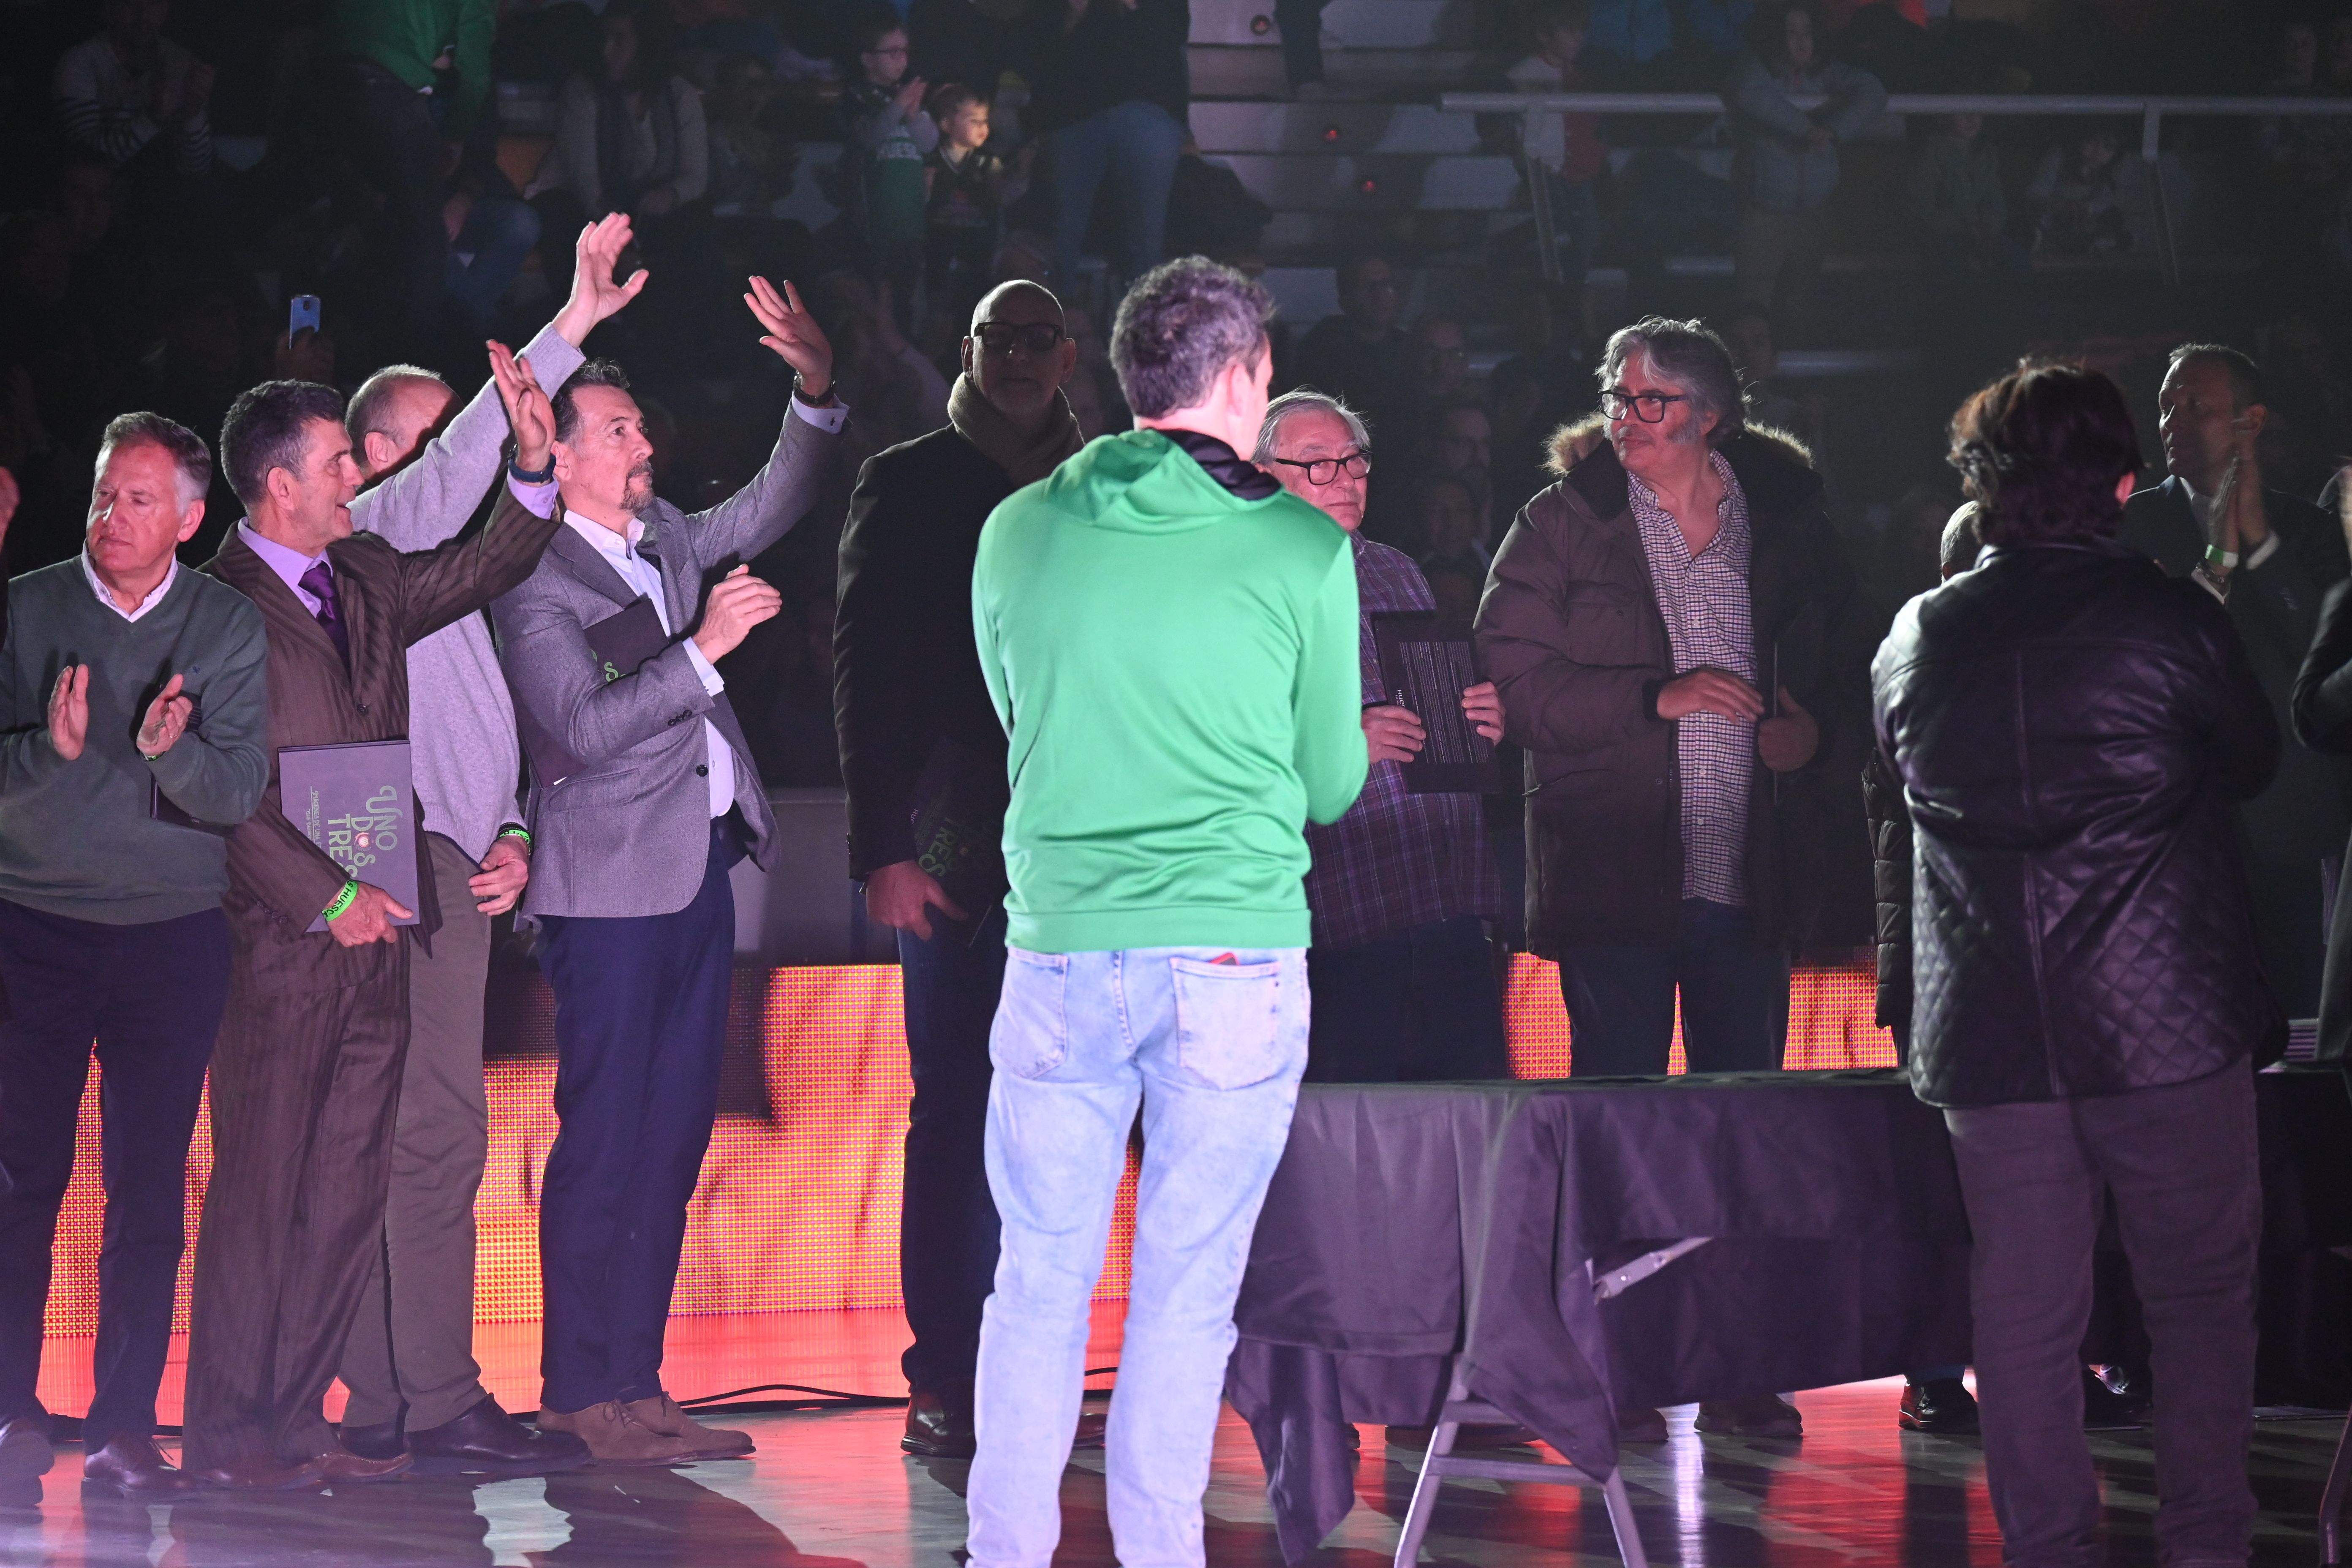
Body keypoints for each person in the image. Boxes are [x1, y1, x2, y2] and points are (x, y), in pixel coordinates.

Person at [966, 257, 1365, 1568]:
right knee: (1184, 1297)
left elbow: (1012, 712)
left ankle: (1005, 1551)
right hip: (1231, 954)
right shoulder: (1303, 544)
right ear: (1246, 375)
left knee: (1035, 1284)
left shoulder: (1017, 527)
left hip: (1062, 945)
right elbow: (1329, 782)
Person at [1873, 359, 2277, 1568]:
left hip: (1995, 1033)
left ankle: (2047, 1545)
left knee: (2026, 1314)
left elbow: (1896, 794)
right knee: (2200, 1304)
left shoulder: (1917, 635)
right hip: (2170, 1022)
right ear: (2122, 480)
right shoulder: (2171, 616)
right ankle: (2207, 1544)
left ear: (1981, 488)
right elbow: (2253, 763)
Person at [179, 355, 566, 1488]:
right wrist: (327, 896)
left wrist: (535, 469)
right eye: (340, 459)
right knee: (266, 1192)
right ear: (277, 488)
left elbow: (487, 561)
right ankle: (227, 1435)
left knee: (349, 1184)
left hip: (383, 913)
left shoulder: (365, 573)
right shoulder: (214, 608)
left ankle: (301, 1422)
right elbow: (210, 790)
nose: (356, 470)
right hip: (281, 935)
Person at [489, 278, 842, 1465]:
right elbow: (578, 735)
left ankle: (636, 1384)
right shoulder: (535, 581)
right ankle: (574, 1389)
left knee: (674, 1138)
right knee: (605, 1140)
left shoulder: (667, 540)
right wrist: (703, 652)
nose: (647, 442)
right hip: (604, 898)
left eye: (644, 427)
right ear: (565, 455)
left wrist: (814, 390)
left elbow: (774, 499)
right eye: (622, 430)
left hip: (693, 874)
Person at [1475, 316, 1846, 1440]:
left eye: (1652, 401)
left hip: (1751, 876)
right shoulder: (1563, 519)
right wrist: (1657, 696)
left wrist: (1810, 734)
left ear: (1712, 417)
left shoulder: (1782, 520)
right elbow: (1513, 682)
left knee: (1746, 1130)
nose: (1627, 417)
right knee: (1624, 1122)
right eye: (1619, 394)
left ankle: (1741, 1369)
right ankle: (1621, 1364)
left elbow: (1844, 659)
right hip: (1616, 875)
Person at [329, 215, 648, 1475]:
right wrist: (566, 328)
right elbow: (466, 464)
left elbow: (486, 726)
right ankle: (418, 1392)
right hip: (378, 870)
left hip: (449, 863)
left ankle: (396, 1396)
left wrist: (510, 825)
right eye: (410, 440)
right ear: (356, 463)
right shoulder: (373, 536)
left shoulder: (451, 572)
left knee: (422, 1137)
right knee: (412, 1137)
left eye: (435, 435)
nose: (436, 460)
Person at [836, 280, 1087, 1459]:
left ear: (1069, 354)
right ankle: (947, 1368)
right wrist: (881, 845)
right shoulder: (910, 477)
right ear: (971, 346)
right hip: (949, 841)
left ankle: (1037, 1363)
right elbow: (864, 672)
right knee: (958, 1105)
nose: (1024, 356)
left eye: (1043, 338)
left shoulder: (1115, 486)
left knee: (1075, 1109)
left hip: (1094, 840)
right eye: (1004, 336)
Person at [0, 414, 267, 1496]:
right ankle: (11, 1413)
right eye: (106, 495)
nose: (112, 518)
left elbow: (241, 788)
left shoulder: (226, 625)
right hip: (33, 927)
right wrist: (44, 752)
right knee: (22, 1180)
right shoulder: (26, 607)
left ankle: (122, 1424)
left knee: (150, 1190)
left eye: (140, 501)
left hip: (171, 938)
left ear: (191, 520)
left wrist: (174, 755)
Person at [1254, 389, 1508, 1083]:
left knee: (1471, 1129)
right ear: (1259, 475)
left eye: (1353, 460)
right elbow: (1211, 756)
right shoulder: (1237, 587)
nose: (1343, 477)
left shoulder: (1395, 567)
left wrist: (1479, 716)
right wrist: (1342, 745)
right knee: (1354, 1147)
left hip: (1445, 895)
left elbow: (1439, 716)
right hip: (1337, 919)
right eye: (1316, 463)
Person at [2121, 343, 2350, 1020]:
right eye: (2166, 406)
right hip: (2172, 814)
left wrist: (2260, 544)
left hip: (2287, 810)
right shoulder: (2131, 525)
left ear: (2251, 421)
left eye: (2196, 407)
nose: (2173, 422)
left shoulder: (2305, 528)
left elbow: (2325, 655)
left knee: (2300, 1007)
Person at [1860, 500, 1980, 1437]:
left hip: (1972, 965)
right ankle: (1933, 1371)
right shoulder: (1918, 667)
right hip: (1944, 966)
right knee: (1941, 1188)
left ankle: (2048, 1361)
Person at [321, 0, 498, 345]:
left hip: (327, 76)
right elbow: (475, 77)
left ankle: (338, 354)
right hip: (386, 86)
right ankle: (415, 371)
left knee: (363, 224)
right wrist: (455, 138)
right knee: (424, 250)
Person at [530, 0, 710, 305]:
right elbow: (587, 188)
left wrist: (671, 195)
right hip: (583, 209)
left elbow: (695, 175)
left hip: (649, 210)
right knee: (575, 237)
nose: (606, 50)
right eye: (605, 38)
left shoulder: (677, 93)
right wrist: (621, 239)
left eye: (620, 39)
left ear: (648, 44)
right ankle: (588, 335)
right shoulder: (583, 92)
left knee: (693, 239)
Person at [1725, 0, 1885, 344]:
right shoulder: (1755, 71)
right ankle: (1753, 385)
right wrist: (1804, 128)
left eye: (1808, 32)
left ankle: (1800, 388)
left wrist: (1835, 129)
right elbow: (1749, 92)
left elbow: (1874, 91)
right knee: (1754, 299)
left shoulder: (1829, 74)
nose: (1801, 41)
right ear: (1773, 36)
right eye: (1791, 33)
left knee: (1805, 299)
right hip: (1765, 209)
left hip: (1815, 210)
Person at [1025, 0, 1190, 291]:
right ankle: (1058, 320)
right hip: (1072, 112)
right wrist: (1075, 13)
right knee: (1062, 232)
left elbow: (1173, 32)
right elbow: (1039, 47)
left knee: (1145, 238)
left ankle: (1139, 326)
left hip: (1148, 108)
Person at [1504, 0, 1606, 308]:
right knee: (1555, 224)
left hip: (1578, 169)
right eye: (1569, 31)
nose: (1578, 39)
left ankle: (1571, 296)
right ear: (1545, 35)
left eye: (1581, 31)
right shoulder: (1523, 74)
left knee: (1588, 232)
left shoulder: (1582, 76)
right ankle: (1548, 292)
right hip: (1545, 167)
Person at [839, 12, 938, 332]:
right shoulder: (856, 97)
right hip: (875, 221)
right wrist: (898, 107)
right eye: (892, 52)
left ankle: (907, 352)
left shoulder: (907, 98)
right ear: (868, 59)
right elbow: (869, 137)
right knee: (875, 298)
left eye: (905, 51)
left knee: (906, 298)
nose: (902, 59)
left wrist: (912, 114)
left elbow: (928, 144)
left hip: (910, 219)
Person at [52, 0, 213, 183]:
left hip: (164, 191)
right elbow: (87, 166)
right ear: (108, 9)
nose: (143, 15)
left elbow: (196, 171)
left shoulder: (183, 62)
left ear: (164, 9)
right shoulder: (80, 64)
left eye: (153, 4)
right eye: (130, 4)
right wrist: (154, 119)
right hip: (102, 197)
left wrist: (193, 113)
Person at [926, 85, 1015, 338]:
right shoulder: (931, 162)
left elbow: (1001, 200)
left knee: (974, 309)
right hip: (939, 248)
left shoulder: (989, 162)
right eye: (973, 121)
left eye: (985, 121)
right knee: (938, 311)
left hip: (977, 249)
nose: (982, 127)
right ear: (946, 124)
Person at [1289, 256, 1407, 422]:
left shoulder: (1409, 348)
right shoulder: (1323, 347)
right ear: (1346, 299)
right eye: (1368, 287)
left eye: (1386, 286)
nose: (1380, 296)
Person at [1909, 113, 2012, 272]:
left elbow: (1995, 202)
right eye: (1963, 113)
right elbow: (1921, 211)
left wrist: (1988, 228)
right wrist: (1967, 226)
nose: (1972, 119)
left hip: (1982, 235)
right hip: (1941, 238)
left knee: (2014, 257)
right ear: (1942, 117)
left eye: (1977, 111)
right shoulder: (1930, 153)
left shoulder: (1986, 153)